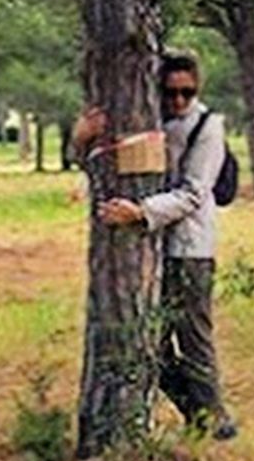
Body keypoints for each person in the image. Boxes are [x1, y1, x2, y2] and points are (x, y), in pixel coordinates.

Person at [76, 53, 237, 440]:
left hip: (189, 250)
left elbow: (194, 194)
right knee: (151, 346)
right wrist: (80, 140)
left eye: (187, 92)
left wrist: (140, 212)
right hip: (154, 249)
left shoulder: (208, 127)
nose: (178, 101)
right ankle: (203, 415)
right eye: (170, 92)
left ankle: (215, 421)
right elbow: (100, 169)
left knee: (194, 340)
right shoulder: (146, 121)